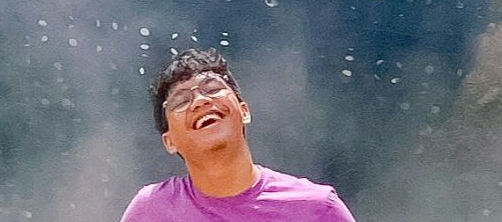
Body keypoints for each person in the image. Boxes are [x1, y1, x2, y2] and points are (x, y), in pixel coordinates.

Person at [120, 48, 357, 222]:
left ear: (244, 111)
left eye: (213, 89)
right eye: (181, 101)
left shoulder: (317, 208)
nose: (201, 101)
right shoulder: (151, 210)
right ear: (169, 141)